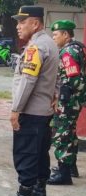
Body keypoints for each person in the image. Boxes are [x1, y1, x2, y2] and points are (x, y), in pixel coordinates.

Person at [0, 5, 57, 196]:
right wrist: (55, 95)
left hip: (30, 111)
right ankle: (39, 190)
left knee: (25, 153)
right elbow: (55, 76)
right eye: (17, 22)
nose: (18, 26)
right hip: (44, 111)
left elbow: (27, 80)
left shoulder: (36, 47)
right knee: (41, 152)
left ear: (35, 23)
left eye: (22, 22)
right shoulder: (50, 43)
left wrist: (16, 110)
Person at [48, 20, 86, 185]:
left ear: (65, 34)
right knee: (70, 133)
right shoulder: (76, 48)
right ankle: (71, 168)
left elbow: (75, 79)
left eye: (56, 34)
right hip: (74, 101)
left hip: (68, 102)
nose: (53, 37)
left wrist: (64, 96)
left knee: (61, 135)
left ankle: (64, 175)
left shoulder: (68, 52)